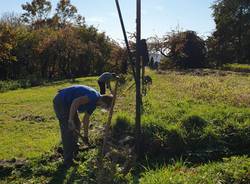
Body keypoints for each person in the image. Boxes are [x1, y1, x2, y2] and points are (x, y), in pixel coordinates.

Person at [53, 85, 113, 168]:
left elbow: (85, 120)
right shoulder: (93, 96)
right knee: (68, 130)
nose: (103, 108)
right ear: (103, 102)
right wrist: (70, 120)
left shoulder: (94, 104)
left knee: (77, 124)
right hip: (62, 101)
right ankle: (68, 161)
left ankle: (74, 150)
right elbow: (76, 102)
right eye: (105, 106)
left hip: (69, 104)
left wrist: (85, 136)